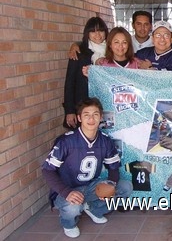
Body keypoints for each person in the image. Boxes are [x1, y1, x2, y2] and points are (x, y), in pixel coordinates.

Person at [42, 97, 133, 238]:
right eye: (86, 115)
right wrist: (66, 192)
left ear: (101, 117)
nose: (91, 119)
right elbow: (47, 170)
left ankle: (93, 209)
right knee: (72, 207)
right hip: (68, 189)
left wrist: (110, 184)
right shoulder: (66, 141)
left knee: (125, 187)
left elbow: (113, 168)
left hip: (90, 186)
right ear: (79, 118)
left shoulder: (105, 140)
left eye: (95, 114)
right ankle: (68, 223)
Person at [63, 17, 108, 129]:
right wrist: (69, 111)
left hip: (106, 104)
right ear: (87, 33)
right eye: (93, 31)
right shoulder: (78, 52)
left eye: (101, 30)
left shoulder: (112, 51)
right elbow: (70, 82)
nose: (97, 34)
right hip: (83, 106)